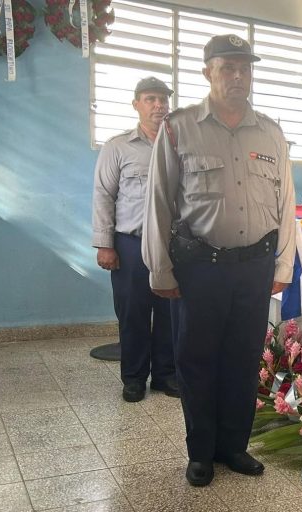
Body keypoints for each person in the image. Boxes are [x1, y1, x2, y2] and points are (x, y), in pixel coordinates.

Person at [142, 34, 296, 487]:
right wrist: (160, 269)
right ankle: (201, 452)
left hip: (254, 267)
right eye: (227, 67)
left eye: (244, 68)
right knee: (197, 361)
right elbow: (159, 203)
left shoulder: (270, 132)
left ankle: (233, 446)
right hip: (200, 268)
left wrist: (283, 266)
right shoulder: (179, 127)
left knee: (244, 359)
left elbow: (286, 202)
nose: (237, 76)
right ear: (207, 71)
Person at [92, 77, 179, 403]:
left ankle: (166, 375)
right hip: (130, 244)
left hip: (172, 246)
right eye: (150, 99)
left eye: (163, 99)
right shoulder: (118, 147)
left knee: (171, 312)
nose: (158, 105)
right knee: (133, 313)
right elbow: (104, 195)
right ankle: (133, 378)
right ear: (136, 104)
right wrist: (105, 244)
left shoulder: (179, 145)